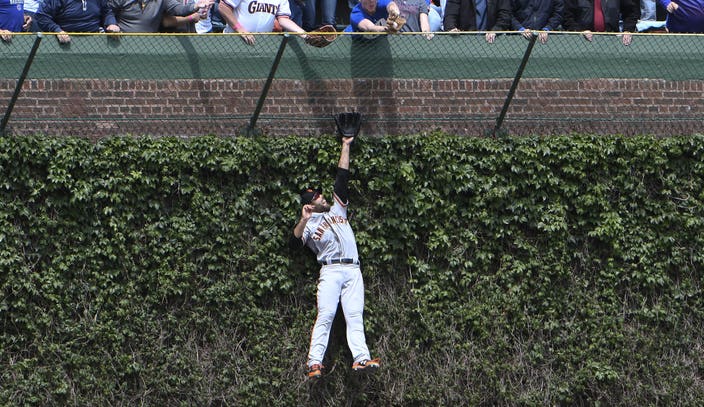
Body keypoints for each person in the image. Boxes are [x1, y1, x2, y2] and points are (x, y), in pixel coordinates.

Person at [291, 125, 380, 380]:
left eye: (320, 193)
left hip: (352, 268)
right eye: (317, 196)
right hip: (330, 270)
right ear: (310, 203)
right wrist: (303, 219)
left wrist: (346, 144)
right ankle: (314, 362)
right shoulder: (308, 224)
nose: (321, 196)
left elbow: (342, 177)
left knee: (354, 315)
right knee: (327, 315)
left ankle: (360, 358)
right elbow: (294, 244)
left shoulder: (337, 210)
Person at [218, 0, 307, 45]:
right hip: (234, 41)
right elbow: (223, 7)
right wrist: (240, 29)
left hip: (261, 44)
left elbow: (283, 19)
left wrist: (306, 36)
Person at [35, 0, 120, 43]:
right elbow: (42, 16)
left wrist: (111, 23)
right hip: (64, 39)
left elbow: (107, 11)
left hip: (95, 38)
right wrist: (57, 30)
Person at [563, 0, 638, 45]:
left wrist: (628, 30)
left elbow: (631, 13)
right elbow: (567, 17)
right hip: (581, 41)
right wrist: (580, 31)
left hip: (611, 40)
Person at [108, 0, 213, 32]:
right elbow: (108, 9)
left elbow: (178, 8)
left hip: (149, 44)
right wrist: (112, 23)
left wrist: (195, 6)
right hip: (122, 41)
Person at [443, 0, 512, 43]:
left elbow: (505, 15)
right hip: (465, 40)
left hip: (492, 39)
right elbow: (450, 14)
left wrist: (495, 30)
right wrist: (451, 28)